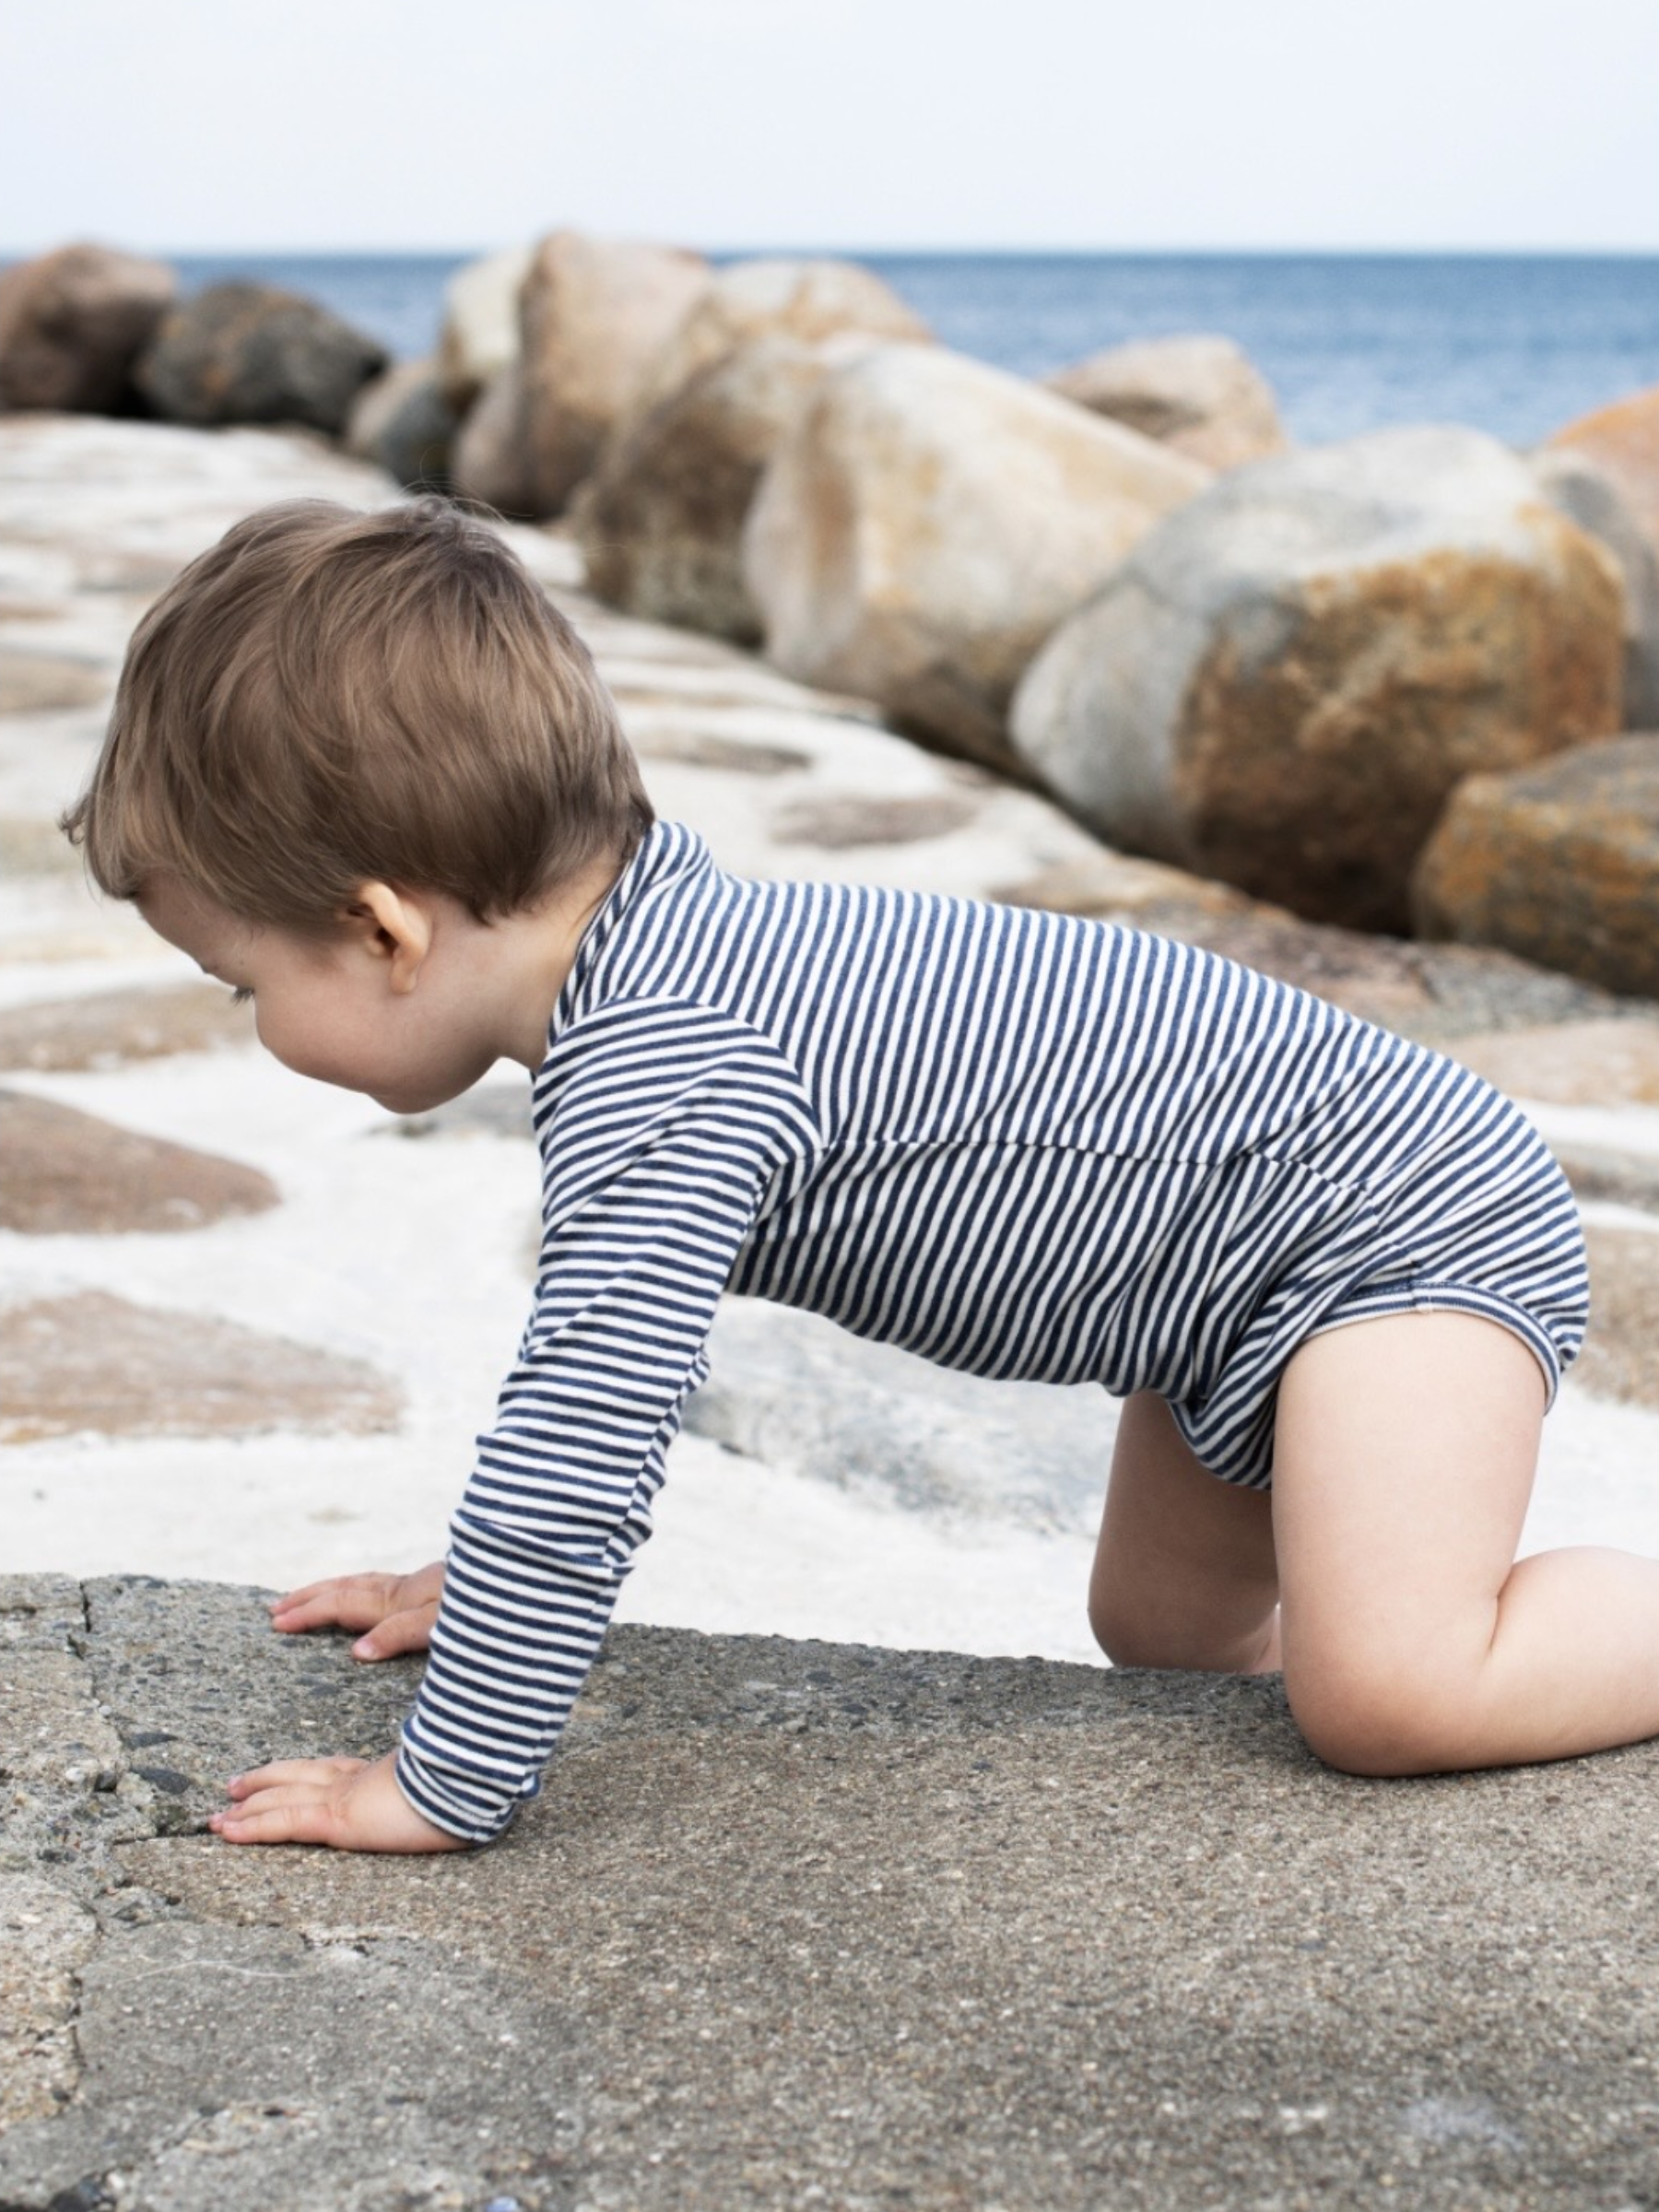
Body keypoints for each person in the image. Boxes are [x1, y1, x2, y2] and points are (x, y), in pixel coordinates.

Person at [63, 497, 1659, 1857]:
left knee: (1388, 1697)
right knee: (1169, 1643)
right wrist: (481, 1587)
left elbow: (586, 1443)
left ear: (384, 930)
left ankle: (1473, 1628)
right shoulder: (669, 952)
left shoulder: (666, 1066)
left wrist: (445, 1779)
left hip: (1393, 1224)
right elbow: (575, 1413)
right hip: (1232, 1280)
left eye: (237, 983)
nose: (250, 1025)